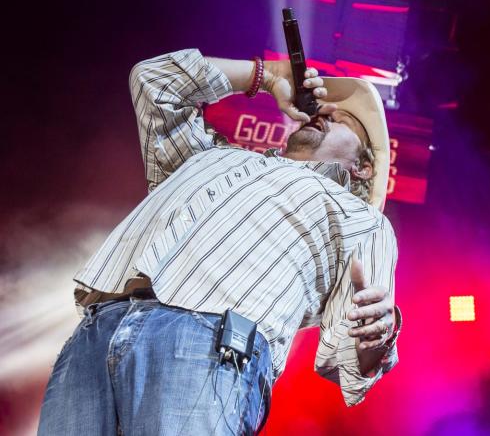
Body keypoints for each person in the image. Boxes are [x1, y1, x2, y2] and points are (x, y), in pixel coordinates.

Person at [38, 49, 401, 435]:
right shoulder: (207, 157)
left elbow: (354, 356)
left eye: (342, 118)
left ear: (363, 166)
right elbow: (154, 81)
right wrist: (271, 76)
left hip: (212, 344)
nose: (322, 111)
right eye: (323, 108)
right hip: (95, 335)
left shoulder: (361, 217)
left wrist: (375, 337)